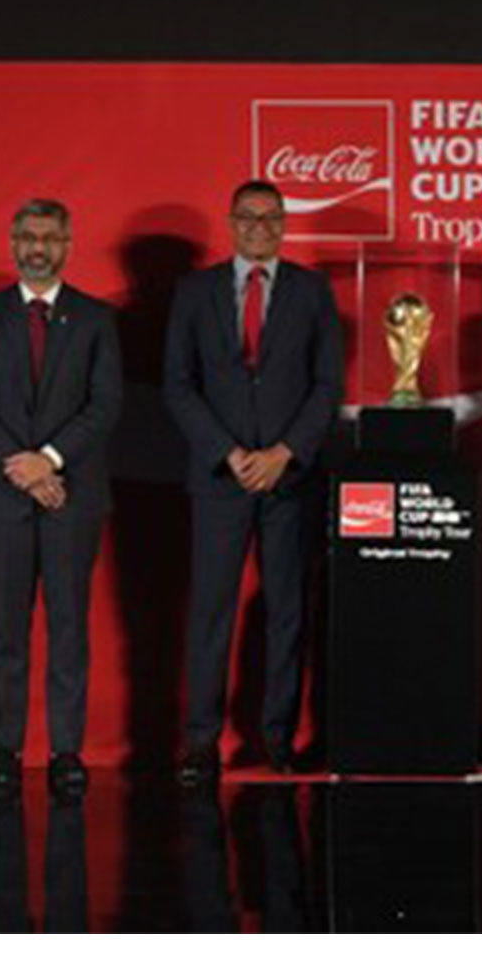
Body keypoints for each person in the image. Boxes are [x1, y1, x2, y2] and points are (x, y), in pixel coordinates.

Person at [164, 180, 344, 783]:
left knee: (288, 612)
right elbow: (179, 384)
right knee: (211, 610)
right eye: (249, 217)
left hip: (290, 479)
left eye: (271, 218)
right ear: (232, 222)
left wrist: (286, 452)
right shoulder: (194, 292)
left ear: (285, 224)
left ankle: (277, 739)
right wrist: (230, 452)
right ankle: (200, 740)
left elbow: (326, 386)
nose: (260, 228)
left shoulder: (314, 292)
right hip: (220, 477)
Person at [0, 198, 123, 796]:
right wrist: (23, 468)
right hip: (5, 497)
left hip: (72, 497)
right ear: (11, 241)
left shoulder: (96, 320)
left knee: (69, 628)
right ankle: (6, 749)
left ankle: (65, 752)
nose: (37, 247)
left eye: (49, 237)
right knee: (6, 630)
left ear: (68, 244)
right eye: (27, 236)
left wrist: (48, 460)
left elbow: (104, 406)